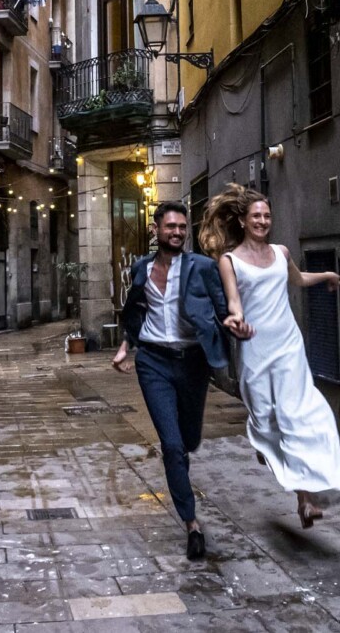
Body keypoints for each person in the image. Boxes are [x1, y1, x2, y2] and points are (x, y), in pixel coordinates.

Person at [198, 184, 340, 528]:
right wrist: (235, 320)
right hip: (256, 348)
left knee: (298, 417)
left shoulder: (281, 252)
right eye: (256, 216)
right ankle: (262, 438)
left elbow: (297, 279)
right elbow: (234, 302)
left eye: (267, 215)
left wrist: (325, 275)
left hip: (288, 346)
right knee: (266, 419)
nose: (263, 221)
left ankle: (305, 500)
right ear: (243, 220)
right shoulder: (229, 261)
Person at [112, 201, 254, 560]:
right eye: (170, 226)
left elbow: (223, 309)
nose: (176, 232)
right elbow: (135, 309)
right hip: (154, 363)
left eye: (181, 227)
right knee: (172, 446)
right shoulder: (142, 267)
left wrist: (234, 324)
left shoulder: (203, 267)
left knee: (188, 440)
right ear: (156, 229)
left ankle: (181, 463)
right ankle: (192, 524)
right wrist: (126, 346)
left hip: (193, 364)